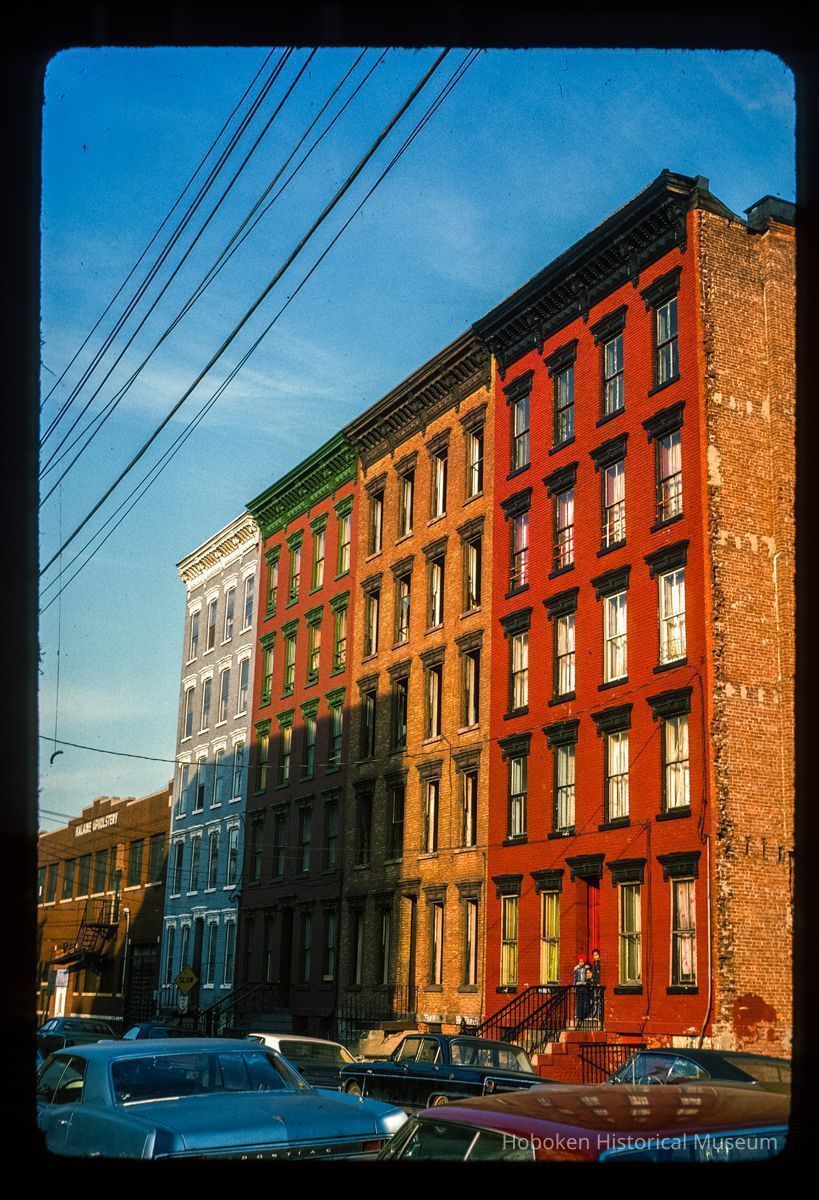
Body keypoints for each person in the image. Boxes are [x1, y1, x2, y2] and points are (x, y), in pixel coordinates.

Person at [573, 954, 589, 1026]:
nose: (581, 962)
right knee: (579, 1002)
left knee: (585, 1002)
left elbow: (589, 976)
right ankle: (579, 1017)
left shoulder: (586, 968)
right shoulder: (576, 969)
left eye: (582, 961)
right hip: (579, 987)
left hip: (585, 987)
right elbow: (574, 978)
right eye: (580, 961)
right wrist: (574, 987)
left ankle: (584, 1015)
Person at [589, 948, 602, 1025]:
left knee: (599, 1000)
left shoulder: (600, 963)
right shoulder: (594, 963)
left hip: (598, 985)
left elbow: (599, 974)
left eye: (596, 955)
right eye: (594, 955)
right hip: (594, 984)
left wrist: (598, 983)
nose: (595, 956)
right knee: (595, 1000)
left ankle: (598, 1015)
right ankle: (595, 1014)